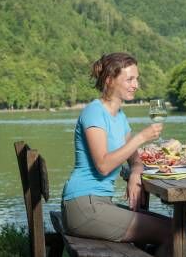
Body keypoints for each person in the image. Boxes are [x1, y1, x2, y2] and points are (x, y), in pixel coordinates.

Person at [61, 52, 171, 256]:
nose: (136, 84)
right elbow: (103, 165)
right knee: (170, 232)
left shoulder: (119, 116)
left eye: (136, 78)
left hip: (99, 202)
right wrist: (141, 137)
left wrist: (136, 173)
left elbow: (135, 158)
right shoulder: (94, 112)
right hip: (83, 206)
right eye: (130, 79)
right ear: (110, 80)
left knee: (174, 226)